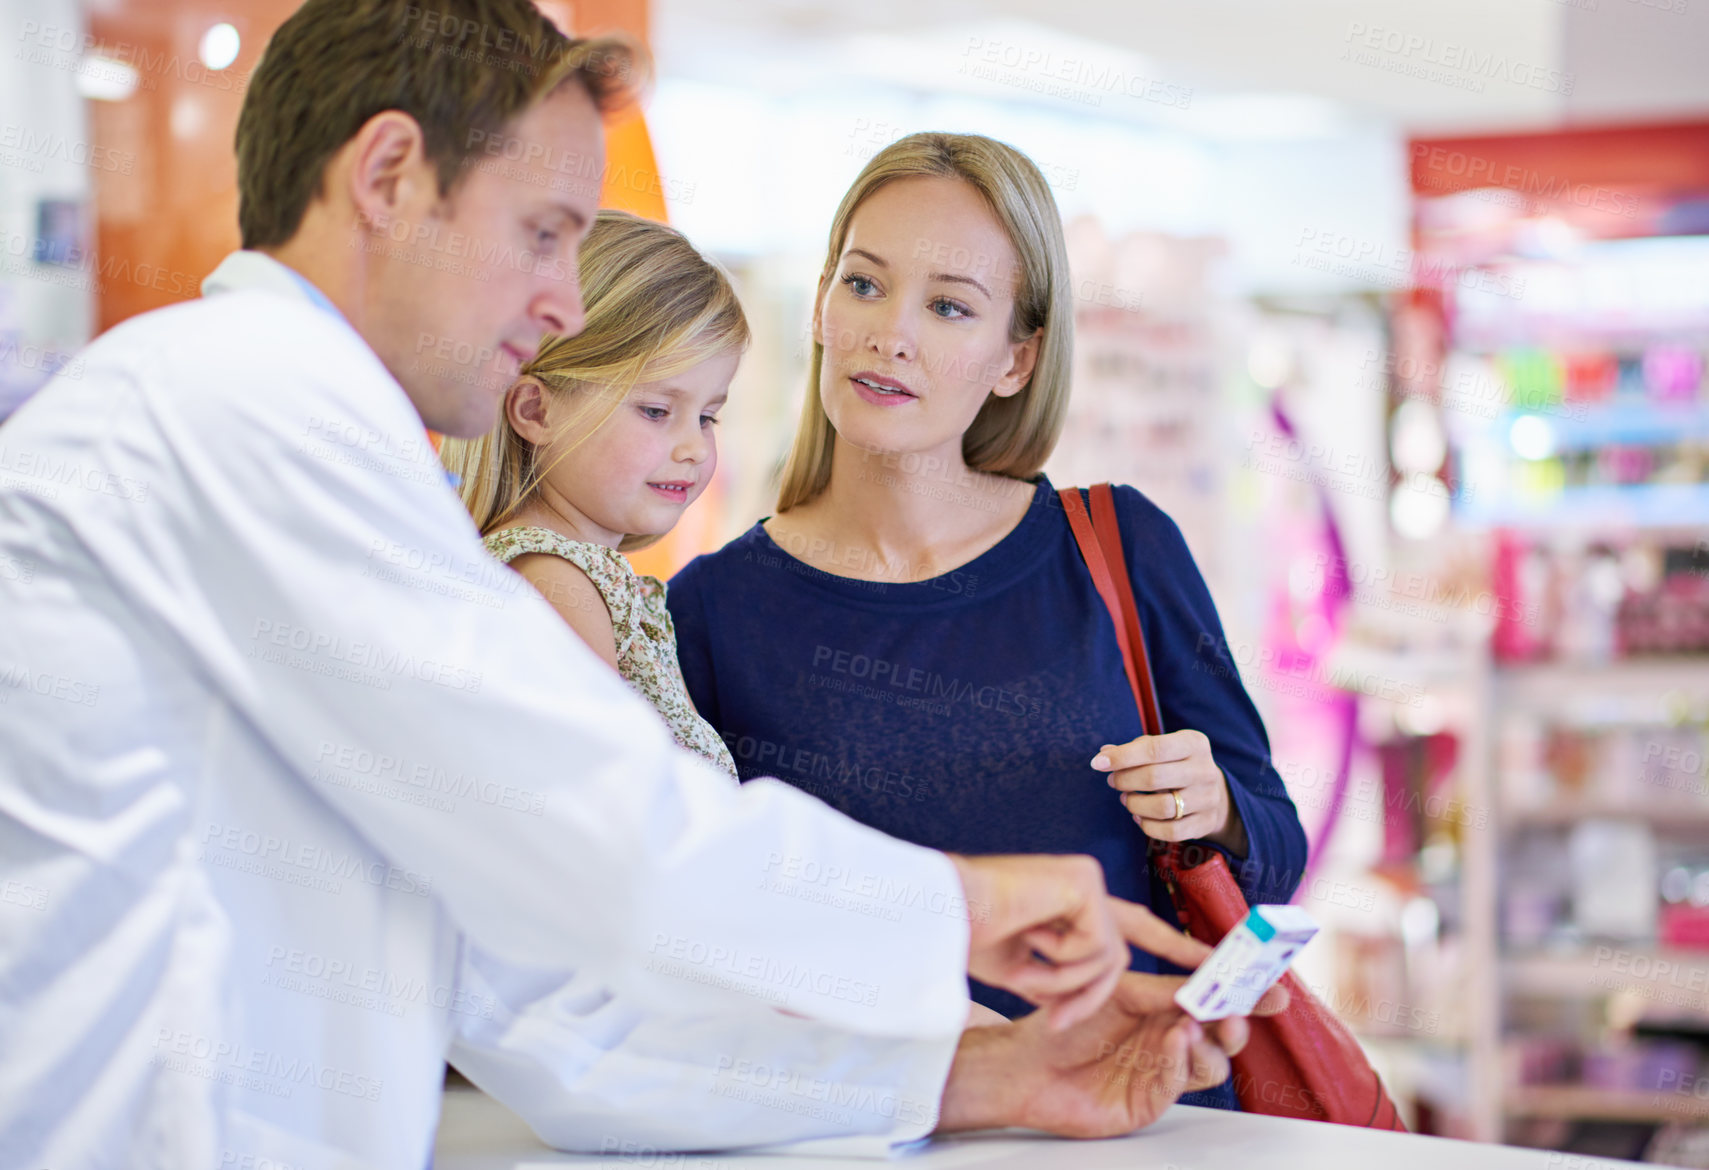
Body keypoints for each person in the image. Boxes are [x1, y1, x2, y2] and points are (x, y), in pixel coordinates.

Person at [0, 5, 1269, 1168]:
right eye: (541, 232)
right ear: (387, 177)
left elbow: (552, 1019)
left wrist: (988, 1071)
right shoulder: (233, 411)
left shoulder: (315, 450)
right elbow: (598, 827)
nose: (562, 299)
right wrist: (964, 907)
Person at [666, 132, 1310, 1110]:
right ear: (819, 307)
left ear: (1017, 358)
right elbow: (699, 925)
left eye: (948, 307)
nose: (891, 335)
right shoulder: (712, 608)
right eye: (864, 285)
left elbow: (1276, 858)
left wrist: (1214, 805)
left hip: (1143, 1123)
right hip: (873, 1131)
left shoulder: (1120, 549)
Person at [441, 209, 741, 778]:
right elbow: (600, 802)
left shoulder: (574, 575)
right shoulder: (554, 581)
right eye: (657, 410)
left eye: (708, 417)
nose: (695, 449)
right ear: (535, 410)